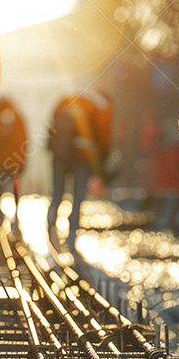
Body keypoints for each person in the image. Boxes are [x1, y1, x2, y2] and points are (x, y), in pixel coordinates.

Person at [46, 87, 112, 246]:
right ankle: (71, 236)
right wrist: (100, 168)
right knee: (77, 198)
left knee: (57, 194)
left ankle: (49, 232)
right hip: (82, 159)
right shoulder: (101, 107)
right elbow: (104, 139)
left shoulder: (64, 102)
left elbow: (51, 130)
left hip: (60, 156)